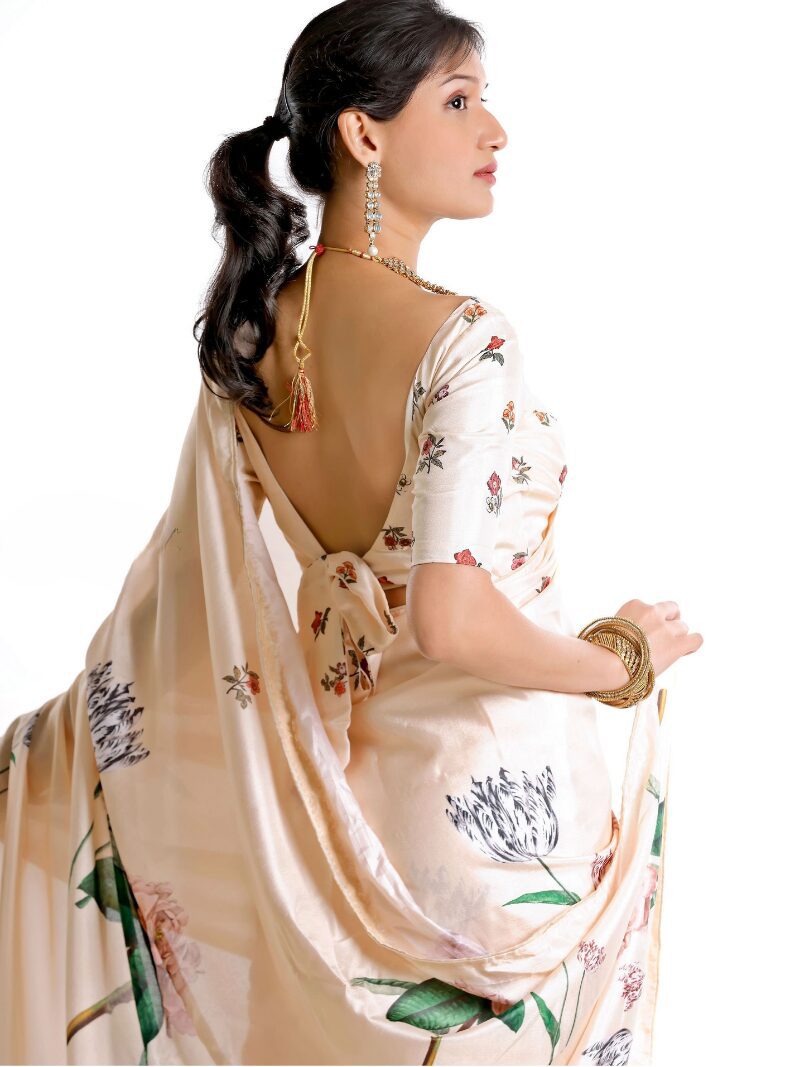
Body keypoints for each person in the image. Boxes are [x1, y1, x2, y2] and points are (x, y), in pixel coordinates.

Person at [0, 1, 702, 1063]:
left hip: (342, 834)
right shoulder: (465, 341)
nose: (495, 131)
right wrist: (619, 659)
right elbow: (452, 619)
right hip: (491, 839)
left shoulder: (250, 330)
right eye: (457, 102)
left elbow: (189, 600)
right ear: (362, 134)